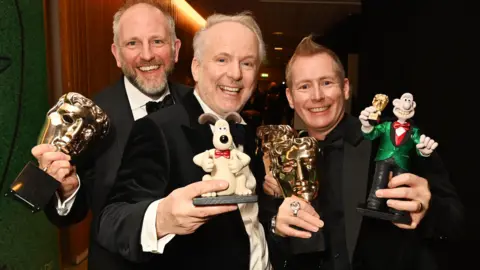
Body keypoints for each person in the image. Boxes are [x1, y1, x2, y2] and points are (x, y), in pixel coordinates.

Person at [260, 35, 465, 270]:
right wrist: (277, 226)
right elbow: (267, 234)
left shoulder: (393, 140)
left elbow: (456, 222)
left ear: (345, 88)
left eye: (327, 82)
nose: (317, 96)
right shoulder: (282, 156)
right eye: (304, 86)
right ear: (290, 98)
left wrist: (428, 210)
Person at [96, 11, 272, 270]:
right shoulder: (159, 128)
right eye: (222, 59)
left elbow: (250, 219)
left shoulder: (248, 130)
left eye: (247, 63)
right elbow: (111, 220)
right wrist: (161, 218)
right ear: (197, 68)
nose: (235, 73)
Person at [30, 1, 189, 269]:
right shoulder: (87, 120)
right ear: (116, 54)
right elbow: (71, 213)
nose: (147, 55)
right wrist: (67, 190)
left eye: (158, 41)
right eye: (133, 44)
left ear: (176, 50)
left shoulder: (198, 107)